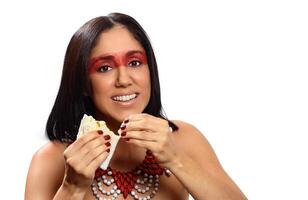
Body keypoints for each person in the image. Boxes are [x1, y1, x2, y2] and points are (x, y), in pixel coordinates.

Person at [25, 13, 247, 200]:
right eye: (104, 68)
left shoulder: (184, 138)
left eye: (135, 63)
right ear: (83, 83)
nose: (124, 79)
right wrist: (72, 188)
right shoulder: (50, 160)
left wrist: (176, 160)